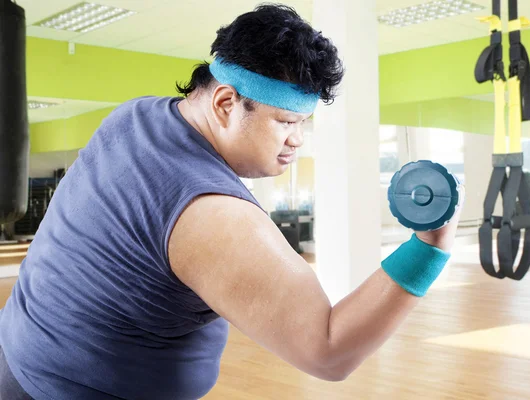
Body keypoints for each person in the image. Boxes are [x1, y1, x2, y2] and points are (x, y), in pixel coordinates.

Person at [0, 4, 462, 400]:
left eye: (304, 123)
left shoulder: (135, 115)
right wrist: (431, 245)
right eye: (285, 122)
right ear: (224, 103)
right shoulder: (212, 214)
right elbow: (328, 349)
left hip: (16, 360)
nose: (297, 140)